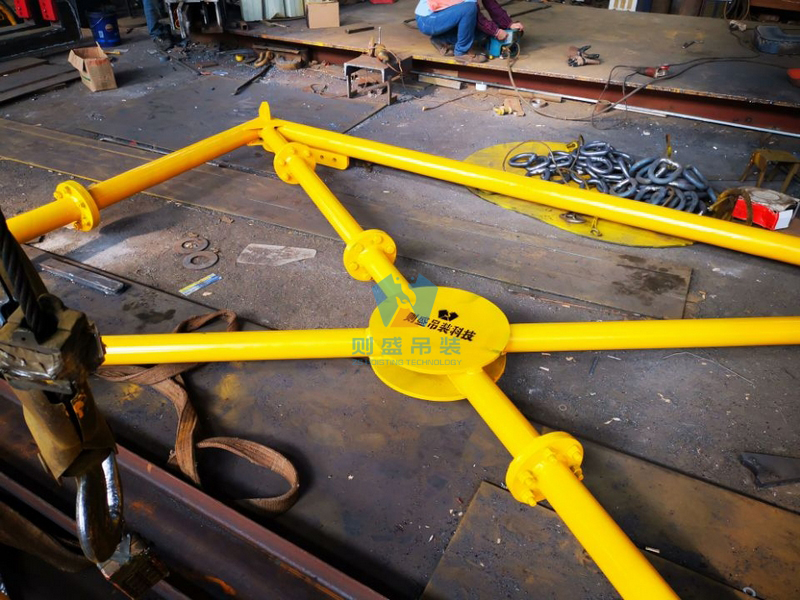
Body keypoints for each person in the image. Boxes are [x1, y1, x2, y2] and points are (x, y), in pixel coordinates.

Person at [415, 0, 524, 63]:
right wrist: (497, 32)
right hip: (428, 20)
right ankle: (461, 52)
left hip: (443, 15)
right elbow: (478, 18)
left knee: (484, 32)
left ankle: (442, 39)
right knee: (469, 9)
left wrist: (508, 24)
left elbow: (491, 4)